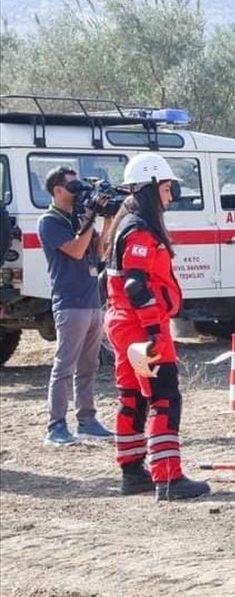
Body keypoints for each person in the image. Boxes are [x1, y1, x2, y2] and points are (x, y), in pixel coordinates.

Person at [103, 153, 209, 500]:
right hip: (141, 328)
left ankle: (133, 471)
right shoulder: (139, 229)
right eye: (166, 189)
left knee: (132, 396)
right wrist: (152, 332)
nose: (170, 196)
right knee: (164, 398)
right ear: (150, 188)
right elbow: (136, 285)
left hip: (122, 324)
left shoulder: (125, 223)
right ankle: (168, 478)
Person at [37, 167, 114, 447]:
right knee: (64, 366)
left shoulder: (78, 219)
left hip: (91, 300)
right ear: (57, 190)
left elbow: (100, 253)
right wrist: (90, 217)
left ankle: (87, 420)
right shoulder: (49, 221)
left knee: (89, 366)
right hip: (70, 302)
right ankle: (56, 426)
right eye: (72, 187)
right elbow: (76, 250)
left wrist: (106, 218)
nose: (77, 193)